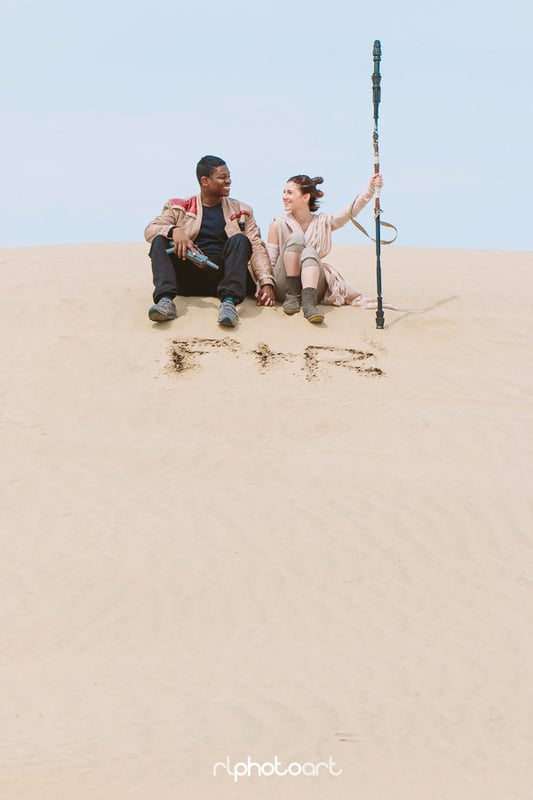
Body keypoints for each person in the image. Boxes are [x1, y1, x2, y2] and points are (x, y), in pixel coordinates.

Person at [144, 155, 275, 327]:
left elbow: (256, 246)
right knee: (159, 240)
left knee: (241, 240)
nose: (228, 180)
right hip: (189, 275)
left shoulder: (242, 210)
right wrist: (174, 230)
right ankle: (165, 301)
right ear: (205, 181)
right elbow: (150, 230)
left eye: (228, 176)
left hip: (225, 275)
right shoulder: (178, 207)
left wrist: (266, 282)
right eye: (222, 177)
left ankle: (228, 304)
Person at [266, 173, 384, 323]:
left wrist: (370, 189)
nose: (284, 196)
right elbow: (270, 262)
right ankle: (293, 296)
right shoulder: (278, 223)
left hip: (314, 286)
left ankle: (309, 304)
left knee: (309, 251)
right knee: (296, 238)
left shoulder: (323, 222)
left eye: (289, 192)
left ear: (305, 197)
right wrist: (265, 286)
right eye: (284, 192)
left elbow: (350, 211)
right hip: (284, 287)